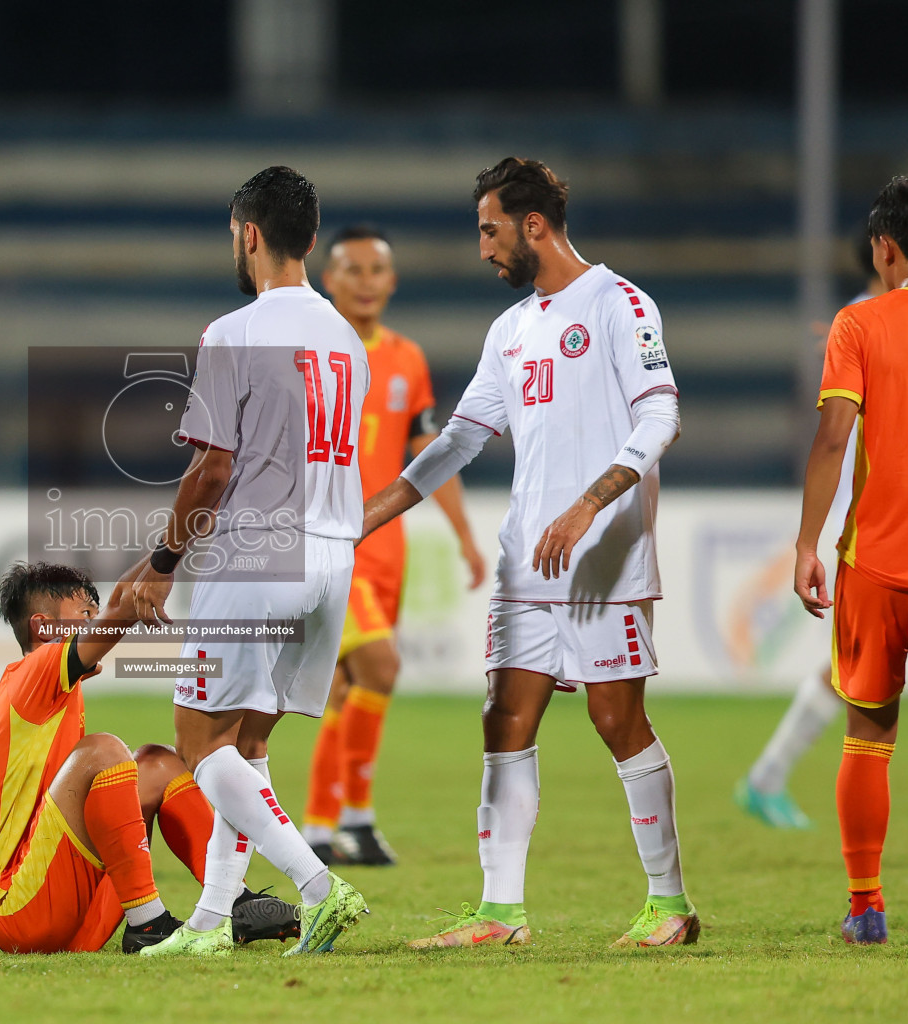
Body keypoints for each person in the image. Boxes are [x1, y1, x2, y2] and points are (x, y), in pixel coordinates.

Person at [362, 158, 697, 949]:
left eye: (489, 230)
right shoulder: (510, 331)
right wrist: (368, 514)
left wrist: (588, 504)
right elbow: (458, 440)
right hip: (526, 564)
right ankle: (499, 912)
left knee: (620, 722)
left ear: (533, 226)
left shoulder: (620, 303)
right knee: (505, 717)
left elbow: (662, 417)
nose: (483, 249)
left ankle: (670, 905)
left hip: (603, 558)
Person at [129, 166, 371, 958]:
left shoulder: (233, 331)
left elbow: (212, 471)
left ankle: (318, 886)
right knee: (249, 742)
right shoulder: (346, 337)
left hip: (258, 554)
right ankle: (210, 922)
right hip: (334, 555)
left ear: (250, 234)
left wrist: (163, 561)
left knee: (199, 743)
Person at [0, 561, 300, 954]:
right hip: (22, 916)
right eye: (84, 615)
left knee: (159, 762)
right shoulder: (40, 666)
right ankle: (148, 924)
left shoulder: (44, 700)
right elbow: (121, 613)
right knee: (104, 750)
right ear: (42, 627)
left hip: (68, 920)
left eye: (93, 611)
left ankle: (230, 901)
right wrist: (175, 547)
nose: (93, 621)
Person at [302, 224, 487, 867]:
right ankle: (352, 817)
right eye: (351, 269)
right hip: (328, 546)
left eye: (376, 270)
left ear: (392, 281)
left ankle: (328, 828)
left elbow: (429, 457)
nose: (365, 281)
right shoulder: (312, 353)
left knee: (347, 687)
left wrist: (465, 538)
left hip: (388, 551)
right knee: (379, 665)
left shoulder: (407, 359)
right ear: (328, 280)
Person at [793, 175, 908, 945]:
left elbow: (833, 438)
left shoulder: (860, 323)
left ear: (886, 247)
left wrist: (806, 543)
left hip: (877, 560)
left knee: (868, 735)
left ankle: (865, 906)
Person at [735, 238, 888, 829]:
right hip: (874, 518)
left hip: (888, 514)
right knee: (856, 668)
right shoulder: (863, 324)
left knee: (864, 669)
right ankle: (766, 775)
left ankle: (767, 776)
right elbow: (836, 434)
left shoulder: (869, 319)